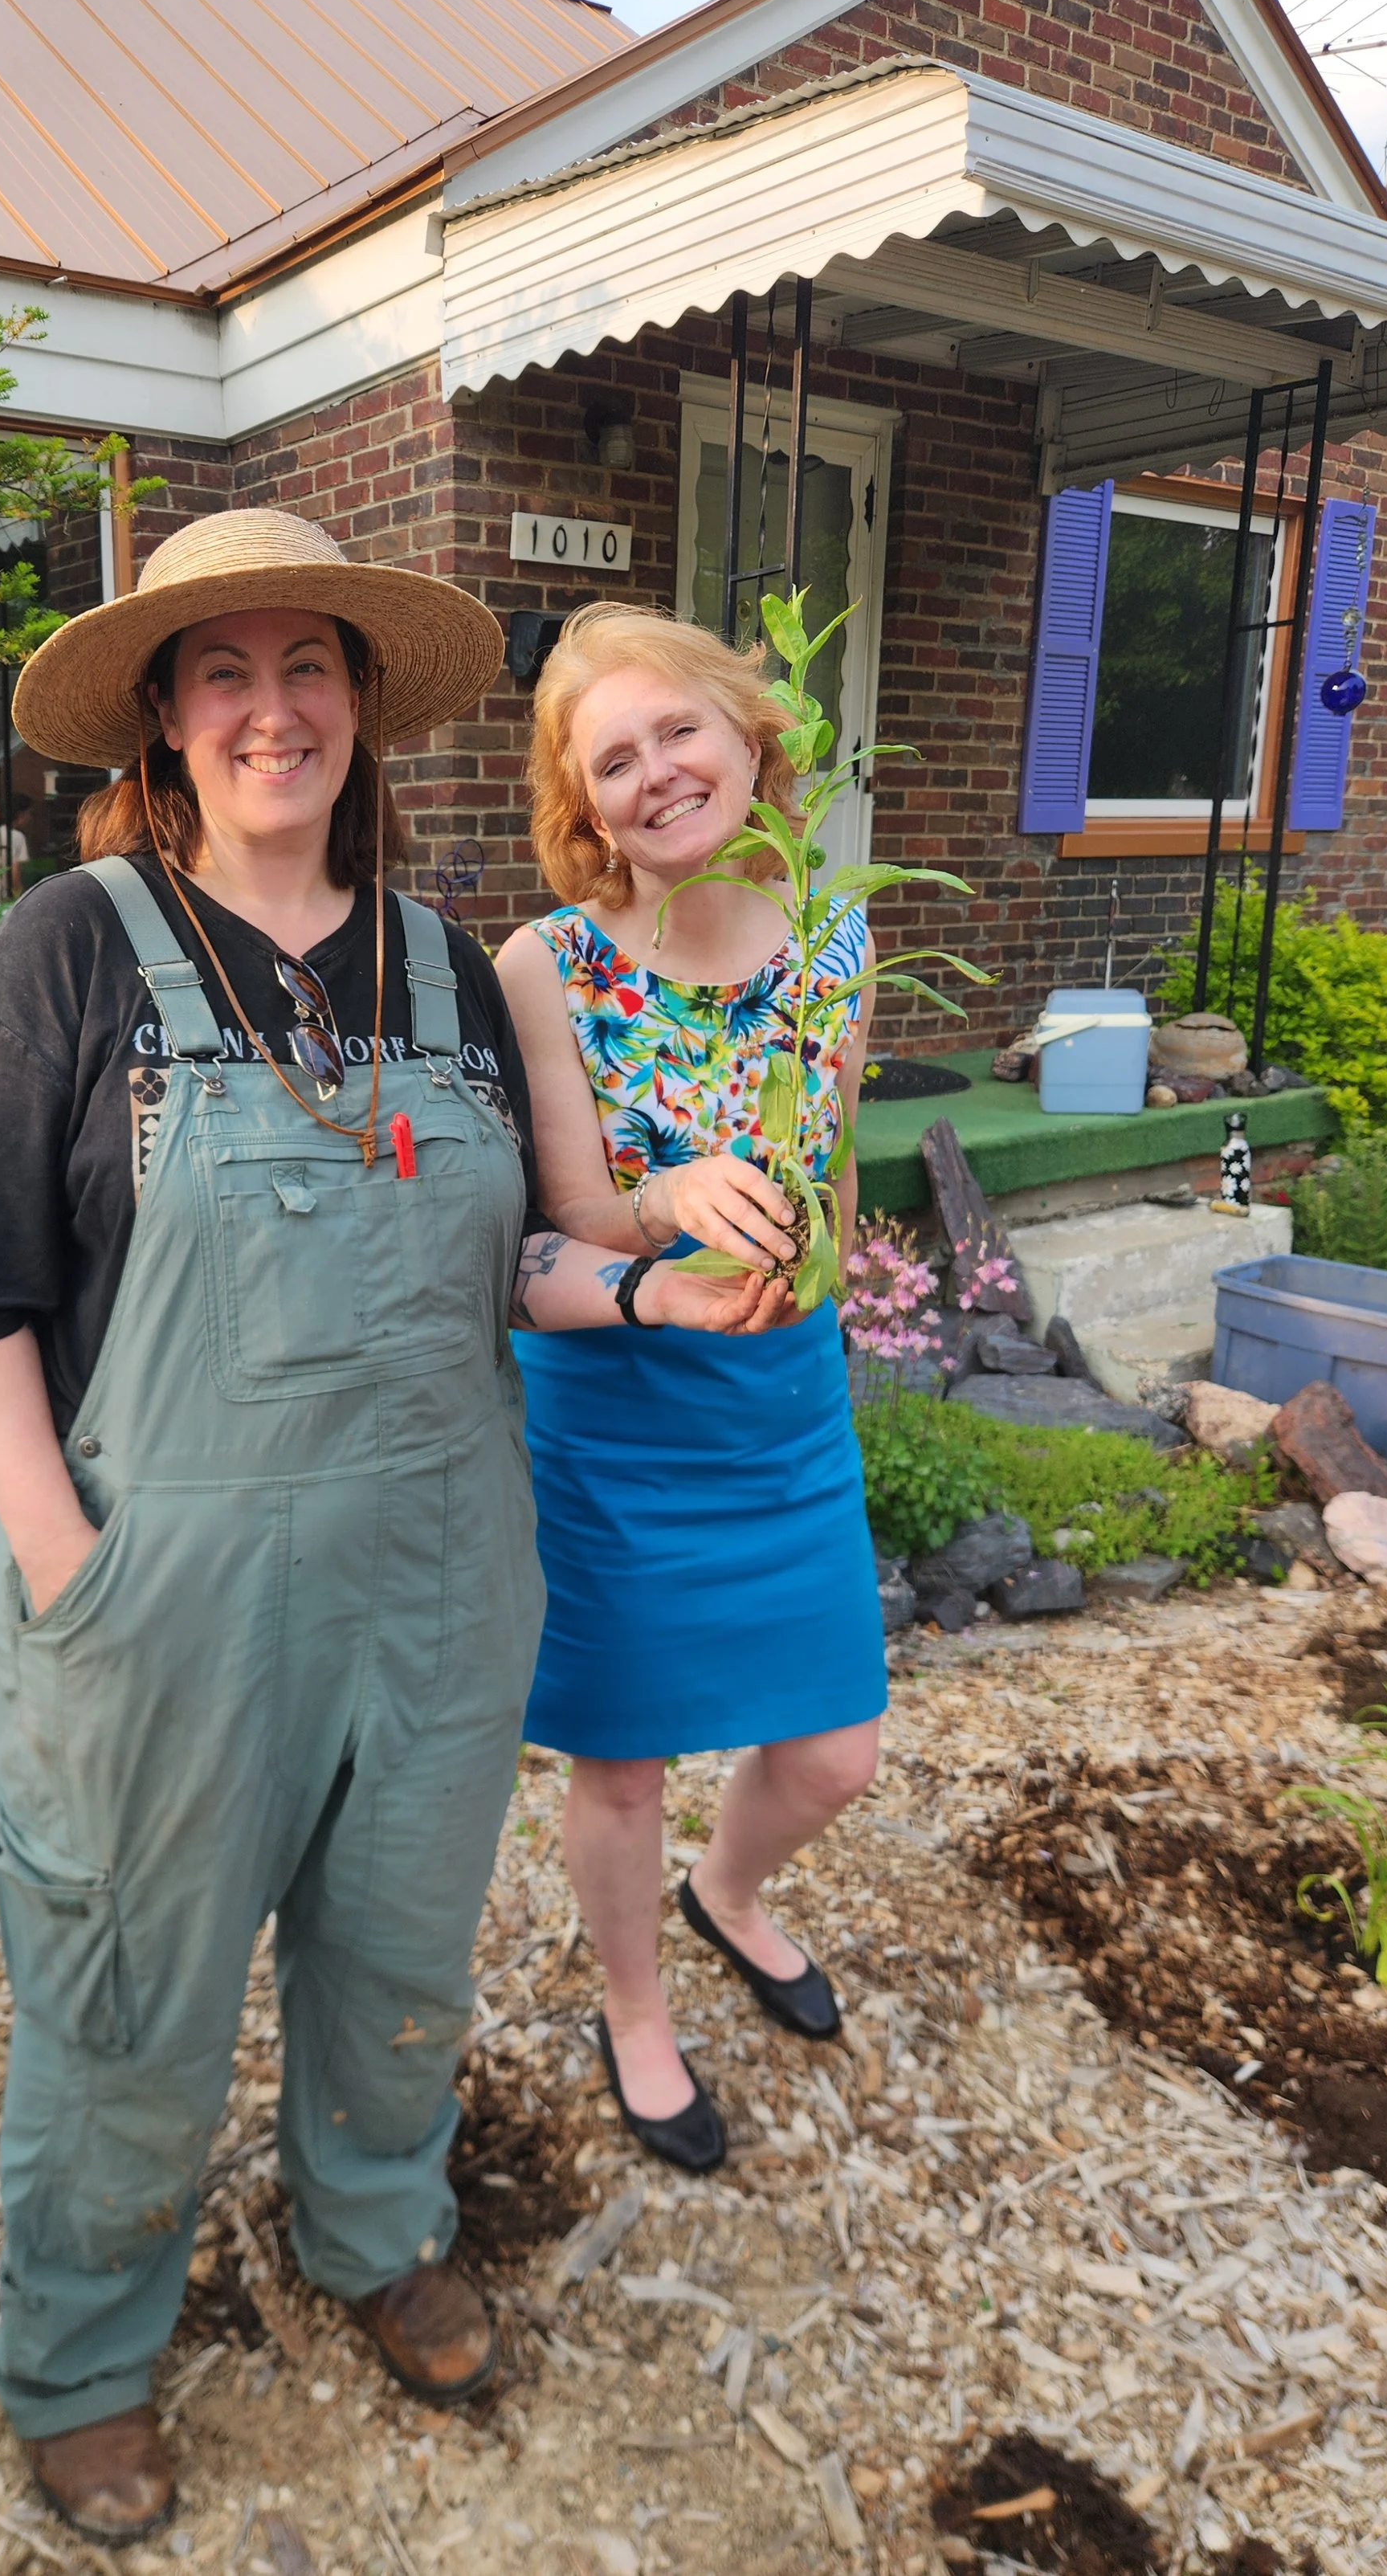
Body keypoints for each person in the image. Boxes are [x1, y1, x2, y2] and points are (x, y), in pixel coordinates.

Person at [0, 514, 774, 2546]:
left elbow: (534, 1250)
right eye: (226, 674)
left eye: (310, 669)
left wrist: (653, 1275)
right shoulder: (64, 954)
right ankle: (85, 2355)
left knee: (399, 1949)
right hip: (159, 1586)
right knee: (131, 1987)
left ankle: (375, 2227)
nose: (272, 706)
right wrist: (62, 1561)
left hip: (439, 1573)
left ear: (361, 710)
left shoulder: (453, 967)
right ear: (170, 725)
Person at [496, 602, 887, 2177]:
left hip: (779, 1396)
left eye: (678, 730)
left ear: (746, 733)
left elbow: (826, 1168)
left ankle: (726, 1893)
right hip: (616, 1406)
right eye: (613, 759)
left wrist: (807, 1259)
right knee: (623, 1754)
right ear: (580, 808)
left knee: (831, 1749)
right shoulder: (549, 963)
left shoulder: (836, 941)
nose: (656, 772)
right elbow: (564, 1212)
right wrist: (670, 1202)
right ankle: (633, 2005)